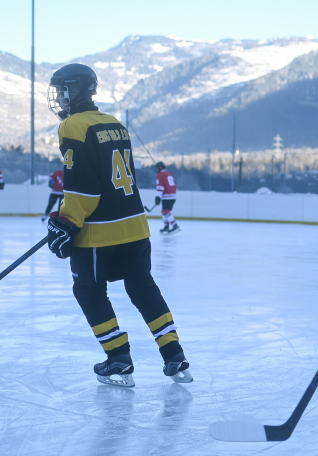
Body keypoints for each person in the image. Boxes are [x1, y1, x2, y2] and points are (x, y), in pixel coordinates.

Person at [45, 63, 192, 388]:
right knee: (142, 287)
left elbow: (82, 185)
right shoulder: (114, 124)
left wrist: (67, 221)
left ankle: (119, 359)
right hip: (135, 227)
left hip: (99, 232)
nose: (60, 98)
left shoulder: (73, 126)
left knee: (89, 291)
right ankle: (174, 354)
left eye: (63, 91)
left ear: (75, 91)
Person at [155, 161, 180, 234]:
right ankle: (166, 226)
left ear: (159, 168)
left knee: (165, 211)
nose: (156, 170)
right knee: (164, 211)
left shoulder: (160, 175)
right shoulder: (169, 173)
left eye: (157, 168)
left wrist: (158, 197)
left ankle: (174, 225)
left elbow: (160, 186)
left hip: (167, 196)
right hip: (173, 195)